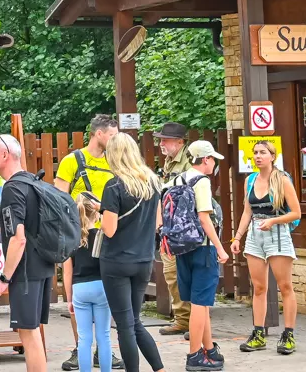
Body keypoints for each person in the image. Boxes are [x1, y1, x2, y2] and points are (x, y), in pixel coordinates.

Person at [55, 115, 125, 372]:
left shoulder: (114, 162)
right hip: (78, 233)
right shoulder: (72, 160)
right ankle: (79, 347)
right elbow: (59, 199)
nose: (115, 140)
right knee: (77, 285)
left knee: (101, 291)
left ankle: (100, 351)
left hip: (107, 233)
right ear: (99, 134)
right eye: (112, 135)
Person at [97, 132, 167, 372]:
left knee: (125, 325)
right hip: (144, 259)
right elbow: (158, 221)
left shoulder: (114, 185)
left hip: (116, 261)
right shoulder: (152, 182)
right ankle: (159, 369)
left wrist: (99, 211)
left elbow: (109, 229)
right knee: (136, 321)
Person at [0, 134, 55, 372]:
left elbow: (18, 238)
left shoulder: (12, 190)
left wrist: (4, 278)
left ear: (5, 155)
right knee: (32, 330)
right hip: (44, 266)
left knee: (28, 333)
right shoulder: (33, 182)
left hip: (25, 272)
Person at [230, 140, 300, 355]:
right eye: (255, 153)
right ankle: (258, 333)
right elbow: (246, 211)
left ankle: (288, 334)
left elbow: (295, 212)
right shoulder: (250, 180)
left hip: (277, 232)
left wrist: (273, 221)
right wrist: (237, 237)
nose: (258, 156)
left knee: (285, 286)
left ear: (272, 156)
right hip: (254, 233)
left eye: (262, 152)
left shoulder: (282, 180)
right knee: (259, 287)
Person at [167, 140, 229, 372]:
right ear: (205, 160)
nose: (214, 164)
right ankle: (194, 355)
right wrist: (220, 248)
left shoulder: (175, 180)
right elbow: (204, 218)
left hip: (182, 248)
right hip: (203, 248)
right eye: (213, 159)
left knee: (197, 303)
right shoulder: (201, 182)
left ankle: (209, 349)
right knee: (201, 304)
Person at [65, 192, 113, 372]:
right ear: (96, 211)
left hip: (80, 289)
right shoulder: (104, 235)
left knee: (84, 338)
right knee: (104, 336)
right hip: (102, 287)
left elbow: (67, 271)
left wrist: (69, 299)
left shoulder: (72, 238)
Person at [154, 122, 193, 338]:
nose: (161, 144)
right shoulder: (170, 162)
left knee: (182, 273)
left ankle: (189, 319)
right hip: (170, 226)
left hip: (183, 227)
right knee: (171, 273)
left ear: (180, 142)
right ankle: (182, 319)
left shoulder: (188, 162)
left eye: (165, 140)